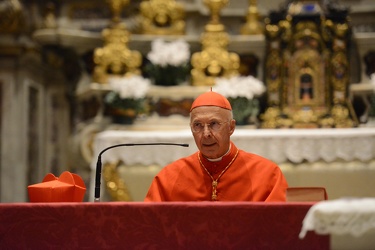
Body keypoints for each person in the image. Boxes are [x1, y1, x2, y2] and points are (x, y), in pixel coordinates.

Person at [144, 91, 288, 202]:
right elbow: (149, 227)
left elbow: (278, 227)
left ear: (231, 127)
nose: (206, 134)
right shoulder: (168, 178)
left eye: (214, 124)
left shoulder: (268, 175)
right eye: (198, 125)